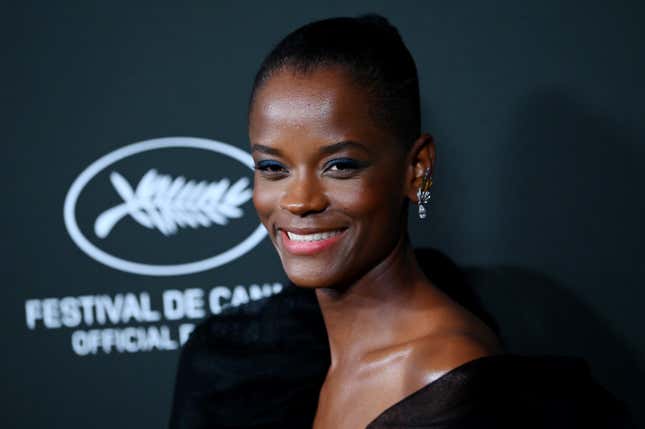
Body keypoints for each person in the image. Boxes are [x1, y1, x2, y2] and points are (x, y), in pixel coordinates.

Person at [246, 14, 628, 429]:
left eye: (340, 166)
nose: (300, 201)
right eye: (272, 167)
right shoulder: (287, 366)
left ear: (416, 170)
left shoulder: (445, 379)